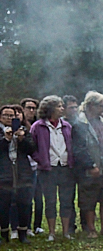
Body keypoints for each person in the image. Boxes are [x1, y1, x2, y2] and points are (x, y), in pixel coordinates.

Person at [72, 91, 103, 238]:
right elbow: (79, 149)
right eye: (101, 106)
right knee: (88, 201)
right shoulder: (79, 125)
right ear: (91, 106)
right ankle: (91, 229)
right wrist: (90, 165)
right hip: (88, 170)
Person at [29, 96, 75, 241]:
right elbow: (32, 146)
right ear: (49, 109)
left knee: (66, 200)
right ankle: (52, 232)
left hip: (65, 167)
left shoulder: (67, 126)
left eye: (62, 106)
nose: (62, 109)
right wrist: (41, 159)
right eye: (59, 106)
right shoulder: (38, 126)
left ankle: (66, 232)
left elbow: (71, 144)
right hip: (47, 169)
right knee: (50, 200)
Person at [0, 105, 37, 244]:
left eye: (12, 116)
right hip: (4, 172)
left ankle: (23, 233)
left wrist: (22, 139)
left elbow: (32, 149)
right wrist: (6, 139)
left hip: (22, 172)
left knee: (24, 203)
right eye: (5, 115)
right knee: (3, 204)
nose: (9, 118)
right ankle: (4, 233)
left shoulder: (23, 130)